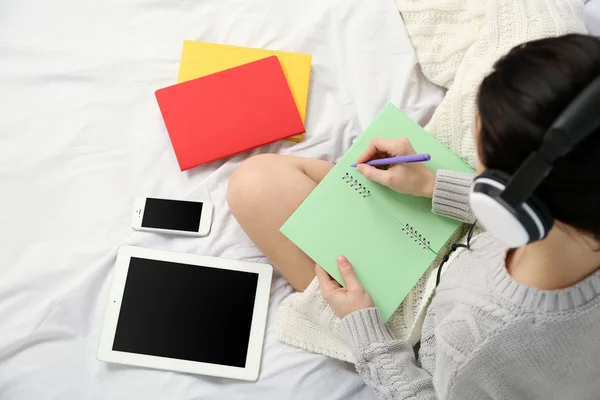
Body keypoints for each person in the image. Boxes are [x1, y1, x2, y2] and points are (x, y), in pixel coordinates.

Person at [227, 34, 600, 399]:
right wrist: (431, 184)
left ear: (503, 194)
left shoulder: (478, 337)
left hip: (408, 334)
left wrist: (364, 327)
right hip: (472, 259)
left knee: (255, 184)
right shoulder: (579, 208)